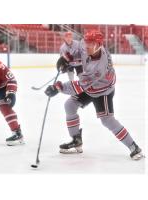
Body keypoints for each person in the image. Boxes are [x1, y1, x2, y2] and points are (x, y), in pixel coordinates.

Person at [45, 30, 143, 160]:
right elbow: (79, 52)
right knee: (70, 105)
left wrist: (59, 87)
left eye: (90, 43)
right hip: (89, 86)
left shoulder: (99, 66)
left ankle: (134, 147)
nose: (86, 45)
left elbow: (80, 85)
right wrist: (67, 58)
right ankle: (76, 141)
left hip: (103, 90)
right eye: (86, 42)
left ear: (99, 44)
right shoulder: (87, 46)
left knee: (107, 120)